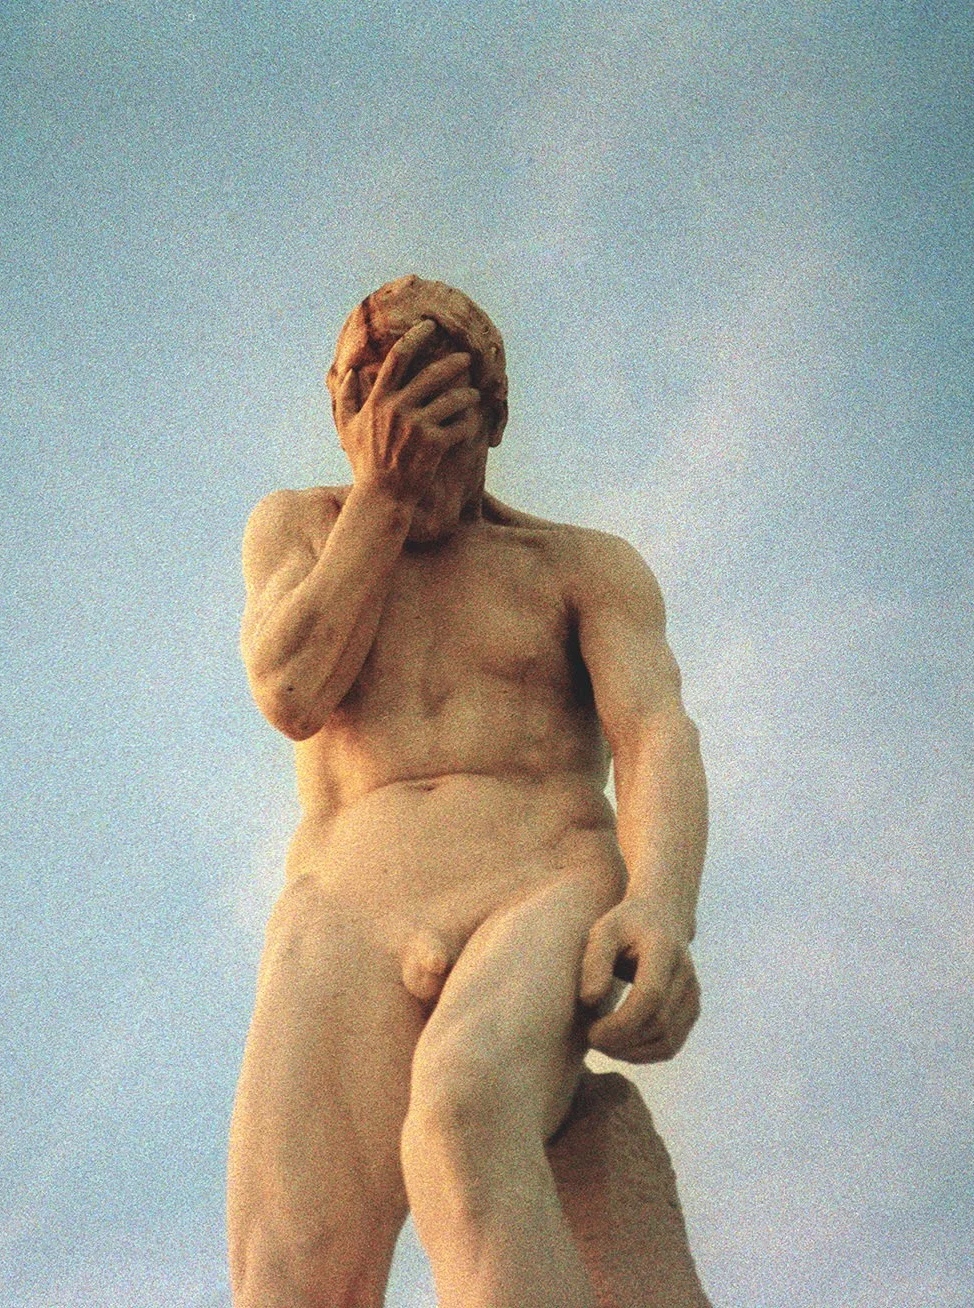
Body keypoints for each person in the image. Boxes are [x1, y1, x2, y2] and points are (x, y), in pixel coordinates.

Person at [229, 276, 708, 1308]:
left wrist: (660, 902)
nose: (405, 420)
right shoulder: (300, 529)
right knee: (289, 1270)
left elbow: (656, 733)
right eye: (375, 388)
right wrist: (383, 501)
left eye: (438, 390)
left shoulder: (579, 567)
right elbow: (292, 688)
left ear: (491, 412)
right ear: (344, 414)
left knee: (462, 1123)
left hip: (536, 884)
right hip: (346, 907)